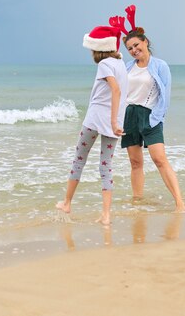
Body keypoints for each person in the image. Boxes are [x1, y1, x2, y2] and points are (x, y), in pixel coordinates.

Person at [111, 5, 185, 213]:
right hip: (130, 116)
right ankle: (137, 202)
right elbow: (119, 93)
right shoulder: (127, 67)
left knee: (159, 159)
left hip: (150, 115)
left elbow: (166, 95)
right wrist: (117, 120)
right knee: (135, 163)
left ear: (145, 42)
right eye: (130, 48)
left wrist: (157, 118)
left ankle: (180, 202)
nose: (134, 50)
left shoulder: (160, 66)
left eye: (137, 45)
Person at [56, 24, 128, 225]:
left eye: (91, 47)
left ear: (98, 48)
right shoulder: (120, 64)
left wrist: (112, 121)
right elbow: (120, 93)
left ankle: (67, 203)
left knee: (79, 159)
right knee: (106, 166)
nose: (90, 51)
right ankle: (106, 215)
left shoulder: (105, 64)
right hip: (114, 122)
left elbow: (116, 90)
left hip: (96, 119)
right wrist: (116, 121)